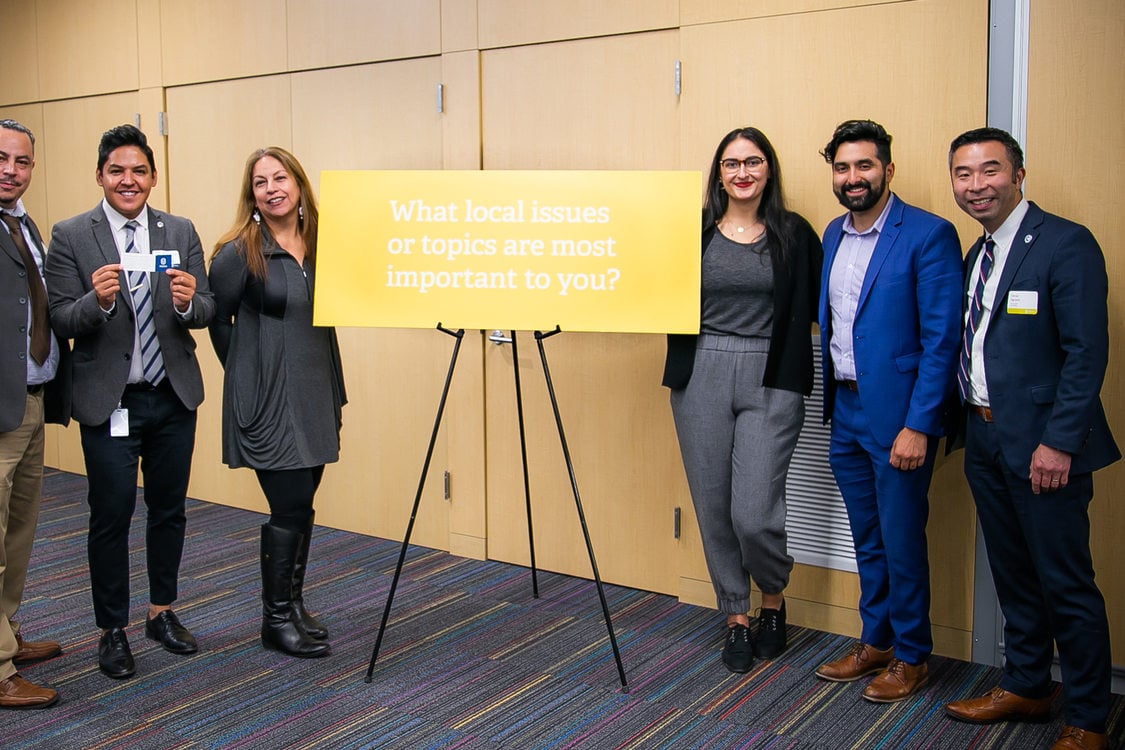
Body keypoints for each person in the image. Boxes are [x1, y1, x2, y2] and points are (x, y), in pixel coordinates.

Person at [942, 128, 1119, 750]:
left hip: (1047, 447)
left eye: (989, 170)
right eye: (963, 174)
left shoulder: (1065, 244)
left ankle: (1089, 718)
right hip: (986, 439)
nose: (976, 185)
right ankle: (1027, 683)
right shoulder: (977, 254)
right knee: (1012, 573)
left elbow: (1085, 351)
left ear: (1019, 175)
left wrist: (1060, 442)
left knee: (1064, 581)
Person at [44, 124, 214, 679]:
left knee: (169, 510)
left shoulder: (179, 229)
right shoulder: (71, 234)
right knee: (111, 514)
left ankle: (160, 611)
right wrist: (95, 301)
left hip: (172, 397)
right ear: (100, 176)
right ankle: (111, 628)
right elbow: (60, 319)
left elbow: (207, 305)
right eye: (117, 170)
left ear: (153, 177)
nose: (128, 180)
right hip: (108, 401)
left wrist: (191, 305)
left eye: (139, 171)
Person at [663, 127, 822, 673]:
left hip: (771, 373)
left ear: (769, 170)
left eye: (753, 162)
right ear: (719, 174)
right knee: (713, 506)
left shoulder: (795, 234)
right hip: (700, 369)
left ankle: (773, 599)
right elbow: (655, 286)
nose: (742, 173)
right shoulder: (694, 230)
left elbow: (823, 307)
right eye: (731, 164)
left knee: (753, 513)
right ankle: (735, 614)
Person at [813, 120, 961, 702]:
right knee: (866, 537)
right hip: (845, 410)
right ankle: (875, 639)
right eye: (843, 168)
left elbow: (940, 339)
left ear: (888, 170)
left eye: (864, 166)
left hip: (900, 420)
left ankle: (913, 655)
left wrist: (919, 424)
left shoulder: (927, 234)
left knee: (901, 539)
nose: (853, 178)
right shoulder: (831, 233)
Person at [208, 147, 345, 659]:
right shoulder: (237, 252)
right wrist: (247, 375)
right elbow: (216, 320)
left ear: (298, 183)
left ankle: (294, 605)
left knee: (303, 505)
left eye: (279, 177)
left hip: (314, 389)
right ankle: (274, 620)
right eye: (260, 182)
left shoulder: (322, 242)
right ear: (252, 195)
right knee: (287, 507)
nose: (271, 189)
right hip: (270, 398)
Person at [0, 119, 70, 709]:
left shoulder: (25, 226)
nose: (10, 170)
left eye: (21, 162)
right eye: (1, 159)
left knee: (18, 530)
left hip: (30, 398)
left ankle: (6, 634)